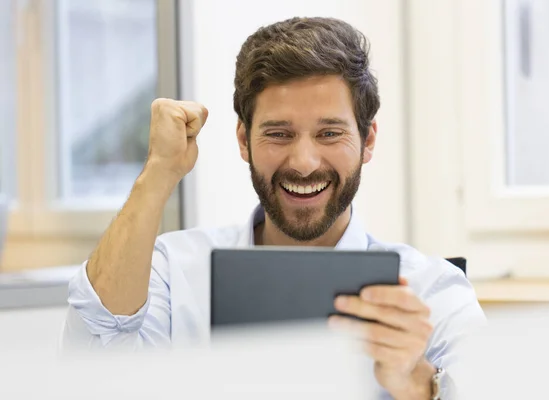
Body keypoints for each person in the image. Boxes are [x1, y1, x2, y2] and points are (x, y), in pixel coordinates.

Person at [62, 17, 485, 399]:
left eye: (330, 133)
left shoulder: (435, 291)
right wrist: (157, 173)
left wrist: (419, 386)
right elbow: (91, 365)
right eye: (279, 134)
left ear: (367, 140)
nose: (304, 163)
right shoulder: (172, 273)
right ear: (243, 140)